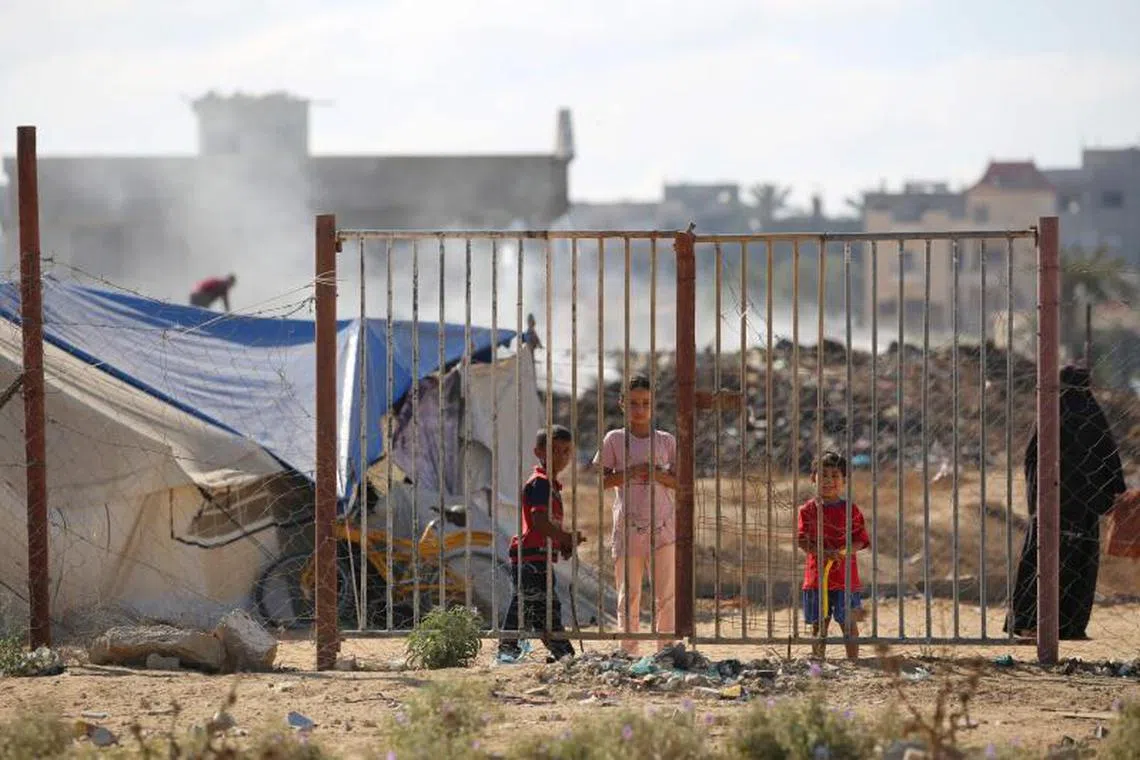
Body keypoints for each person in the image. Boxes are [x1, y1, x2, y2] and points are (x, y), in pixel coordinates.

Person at [1006, 365, 1127, 640]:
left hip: (1050, 503)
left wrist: (1035, 498)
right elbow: (1108, 454)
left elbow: (1031, 458)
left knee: (1039, 560)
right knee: (1077, 564)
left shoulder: (1051, 412)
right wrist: (1114, 491)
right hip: (1082, 505)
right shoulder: (1092, 414)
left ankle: (1028, 622)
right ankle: (1067, 625)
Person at [594, 374, 677, 656]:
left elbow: (681, 482)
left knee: (666, 596)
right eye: (633, 404)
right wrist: (630, 473)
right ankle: (628, 651)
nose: (640, 410)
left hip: (663, 529)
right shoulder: (614, 440)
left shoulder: (666, 441)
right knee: (628, 595)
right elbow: (601, 481)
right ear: (622, 405)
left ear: (653, 405)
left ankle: (665, 649)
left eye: (645, 403)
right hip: (628, 530)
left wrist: (657, 475)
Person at [498, 424, 586, 663]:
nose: (561, 456)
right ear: (539, 452)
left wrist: (562, 544)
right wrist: (565, 537)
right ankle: (512, 650)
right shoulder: (540, 483)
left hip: (540, 555)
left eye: (566, 451)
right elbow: (538, 522)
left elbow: (549, 526)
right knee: (528, 603)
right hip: (530, 556)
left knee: (540, 606)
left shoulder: (552, 486)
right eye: (554, 450)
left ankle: (560, 652)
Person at [796, 451, 870, 660]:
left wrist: (843, 551)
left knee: (848, 623)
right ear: (813, 478)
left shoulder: (850, 510)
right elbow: (802, 540)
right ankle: (818, 661)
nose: (828, 480)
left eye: (834, 476)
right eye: (823, 475)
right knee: (819, 624)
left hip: (845, 579)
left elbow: (861, 540)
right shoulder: (807, 510)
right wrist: (823, 552)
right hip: (817, 579)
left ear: (844, 480)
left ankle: (853, 662)